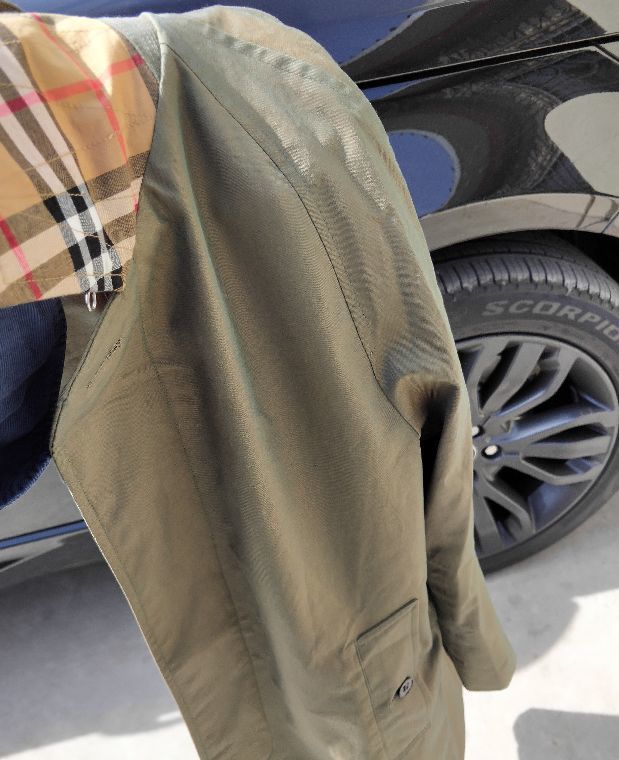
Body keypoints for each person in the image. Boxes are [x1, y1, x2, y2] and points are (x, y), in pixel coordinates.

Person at [0, 4, 516, 758]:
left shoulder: (252, 96)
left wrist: (469, 635)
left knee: (345, 699)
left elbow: (419, 389)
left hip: (339, 664)